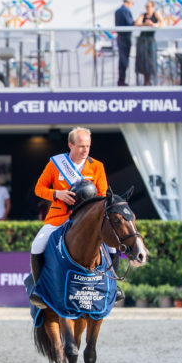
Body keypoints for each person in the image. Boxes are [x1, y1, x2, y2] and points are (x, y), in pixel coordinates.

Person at [28, 127, 119, 308]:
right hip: (60, 216)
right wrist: (57, 194)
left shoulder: (96, 166)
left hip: (89, 220)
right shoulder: (56, 164)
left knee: (113, 247)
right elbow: (39, 189)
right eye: (81, 146)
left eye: (88, 146)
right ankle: (39, 289)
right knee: (37, 244)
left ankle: (115, 286)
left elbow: (103, 194)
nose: (85, 150)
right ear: (70, 145)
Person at [135, 1, 163, 86]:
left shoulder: (156, 14)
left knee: (151, 60)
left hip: (150, 40)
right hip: (143, 40)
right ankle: (146, 80)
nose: (147, 8)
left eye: (149, 7)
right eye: (146, 7)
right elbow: (137, 23)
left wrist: (153, 25)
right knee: (143, 60)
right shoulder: (143, 15)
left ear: (153, 7)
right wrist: (145, 24)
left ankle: (150, 79)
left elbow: (162, 23)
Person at [115, 0, 135, 86]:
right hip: (125, 37)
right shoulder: (125, 10)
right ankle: (121, 80)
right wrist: (138, 22)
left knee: (122, 59)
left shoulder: (117, 11)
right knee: (124, 60)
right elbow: (130, 24)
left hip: (120, 37)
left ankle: (121, 79)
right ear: (129, 2)